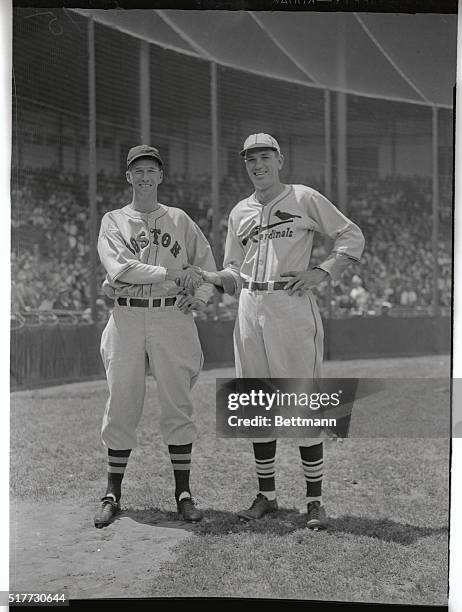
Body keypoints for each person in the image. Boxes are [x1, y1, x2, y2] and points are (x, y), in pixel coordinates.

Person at [193, 133, 364, 529]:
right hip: (250, 306)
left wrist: (322, 272)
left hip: (290, 304)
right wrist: (211, 278)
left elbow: (351, 235)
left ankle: (314, 502)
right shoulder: (239, 212)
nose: (258, 165)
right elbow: (234, 272)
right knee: (255, 401)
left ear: (280, 160)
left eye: (265, 157)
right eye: (251, 159)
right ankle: (266, 496)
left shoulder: (303, 198)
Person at [94, 144, 215, 528]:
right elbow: (121, 270)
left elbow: (206, 262)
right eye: (138, 171)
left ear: (161, 176)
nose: (145, 177)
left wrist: (199, 295)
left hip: (170, 317)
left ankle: (183, 493)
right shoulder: (113, 220)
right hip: (127, 315)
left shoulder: (179, 219)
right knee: (121, 403)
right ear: (128, 176)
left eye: (152, 170)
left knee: (178, 403)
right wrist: (172, 274)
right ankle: (112, 492)